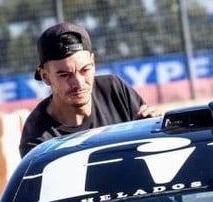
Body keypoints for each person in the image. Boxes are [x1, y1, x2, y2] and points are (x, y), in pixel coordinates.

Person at [19, 22, 161, 157]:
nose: (78, 83)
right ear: (45, 76)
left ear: (93, 63)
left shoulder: (115, 91)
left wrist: (156, 127)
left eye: (85, 70)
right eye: (65, 75)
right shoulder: (38, 141)